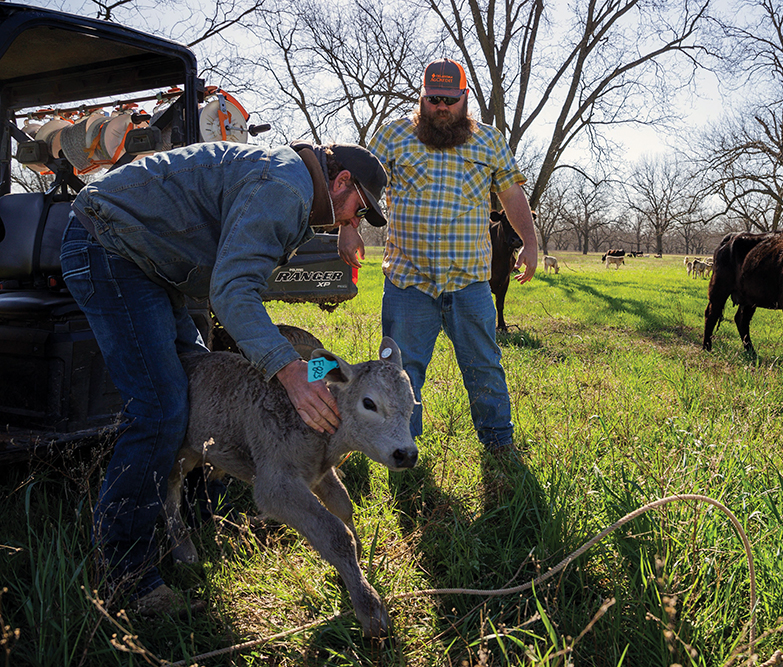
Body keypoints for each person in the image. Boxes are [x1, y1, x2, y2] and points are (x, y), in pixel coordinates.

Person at [59, 140, 387, 615]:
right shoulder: (285, 187)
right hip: (110, 247)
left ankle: (193, 516)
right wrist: (289, 370)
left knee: (204, 384)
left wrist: (342, 229)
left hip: (148, 261)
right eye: (360, 209)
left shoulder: (294, 181)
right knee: (160, 409)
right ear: (340, 182)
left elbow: (243, 263)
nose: (356, 220)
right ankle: (125, 579)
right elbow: (232, 290)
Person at [338, 58, 538, 459]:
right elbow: (360, 182)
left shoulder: (489, 141)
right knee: (400, 374)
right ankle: (400, 447)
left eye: (449, 99)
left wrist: (531, 243)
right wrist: (348, 226)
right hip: (409, 282)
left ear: (465, 98)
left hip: (470, 282)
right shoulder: (393, 136)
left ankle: (499, 444)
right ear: (422, 97)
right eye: (433, 100)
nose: (441, 107)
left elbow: (511, 194)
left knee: (484, 366)